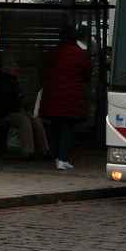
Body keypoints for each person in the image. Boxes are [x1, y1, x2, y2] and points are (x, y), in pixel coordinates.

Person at [39, 26, 93, 170]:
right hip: (71, 98)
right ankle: (62, 159)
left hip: (53, 97)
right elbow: (88, 75)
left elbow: (45, 70)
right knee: (67, 129)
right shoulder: (81, 54)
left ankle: (57, 157)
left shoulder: (52, 53)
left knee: (56, 128)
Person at [0, 59, 51, 161]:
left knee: (35, 119)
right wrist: (18, 109)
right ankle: (28, 151)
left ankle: (44, 149)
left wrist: (24, 109)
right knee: (24, 121)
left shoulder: (13, 81)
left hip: (18, 110)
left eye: (16, 66)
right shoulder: (0, 82)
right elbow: (3, 101)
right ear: (5, 68)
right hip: (5, 113)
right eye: (12, 66)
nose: (15, 69)